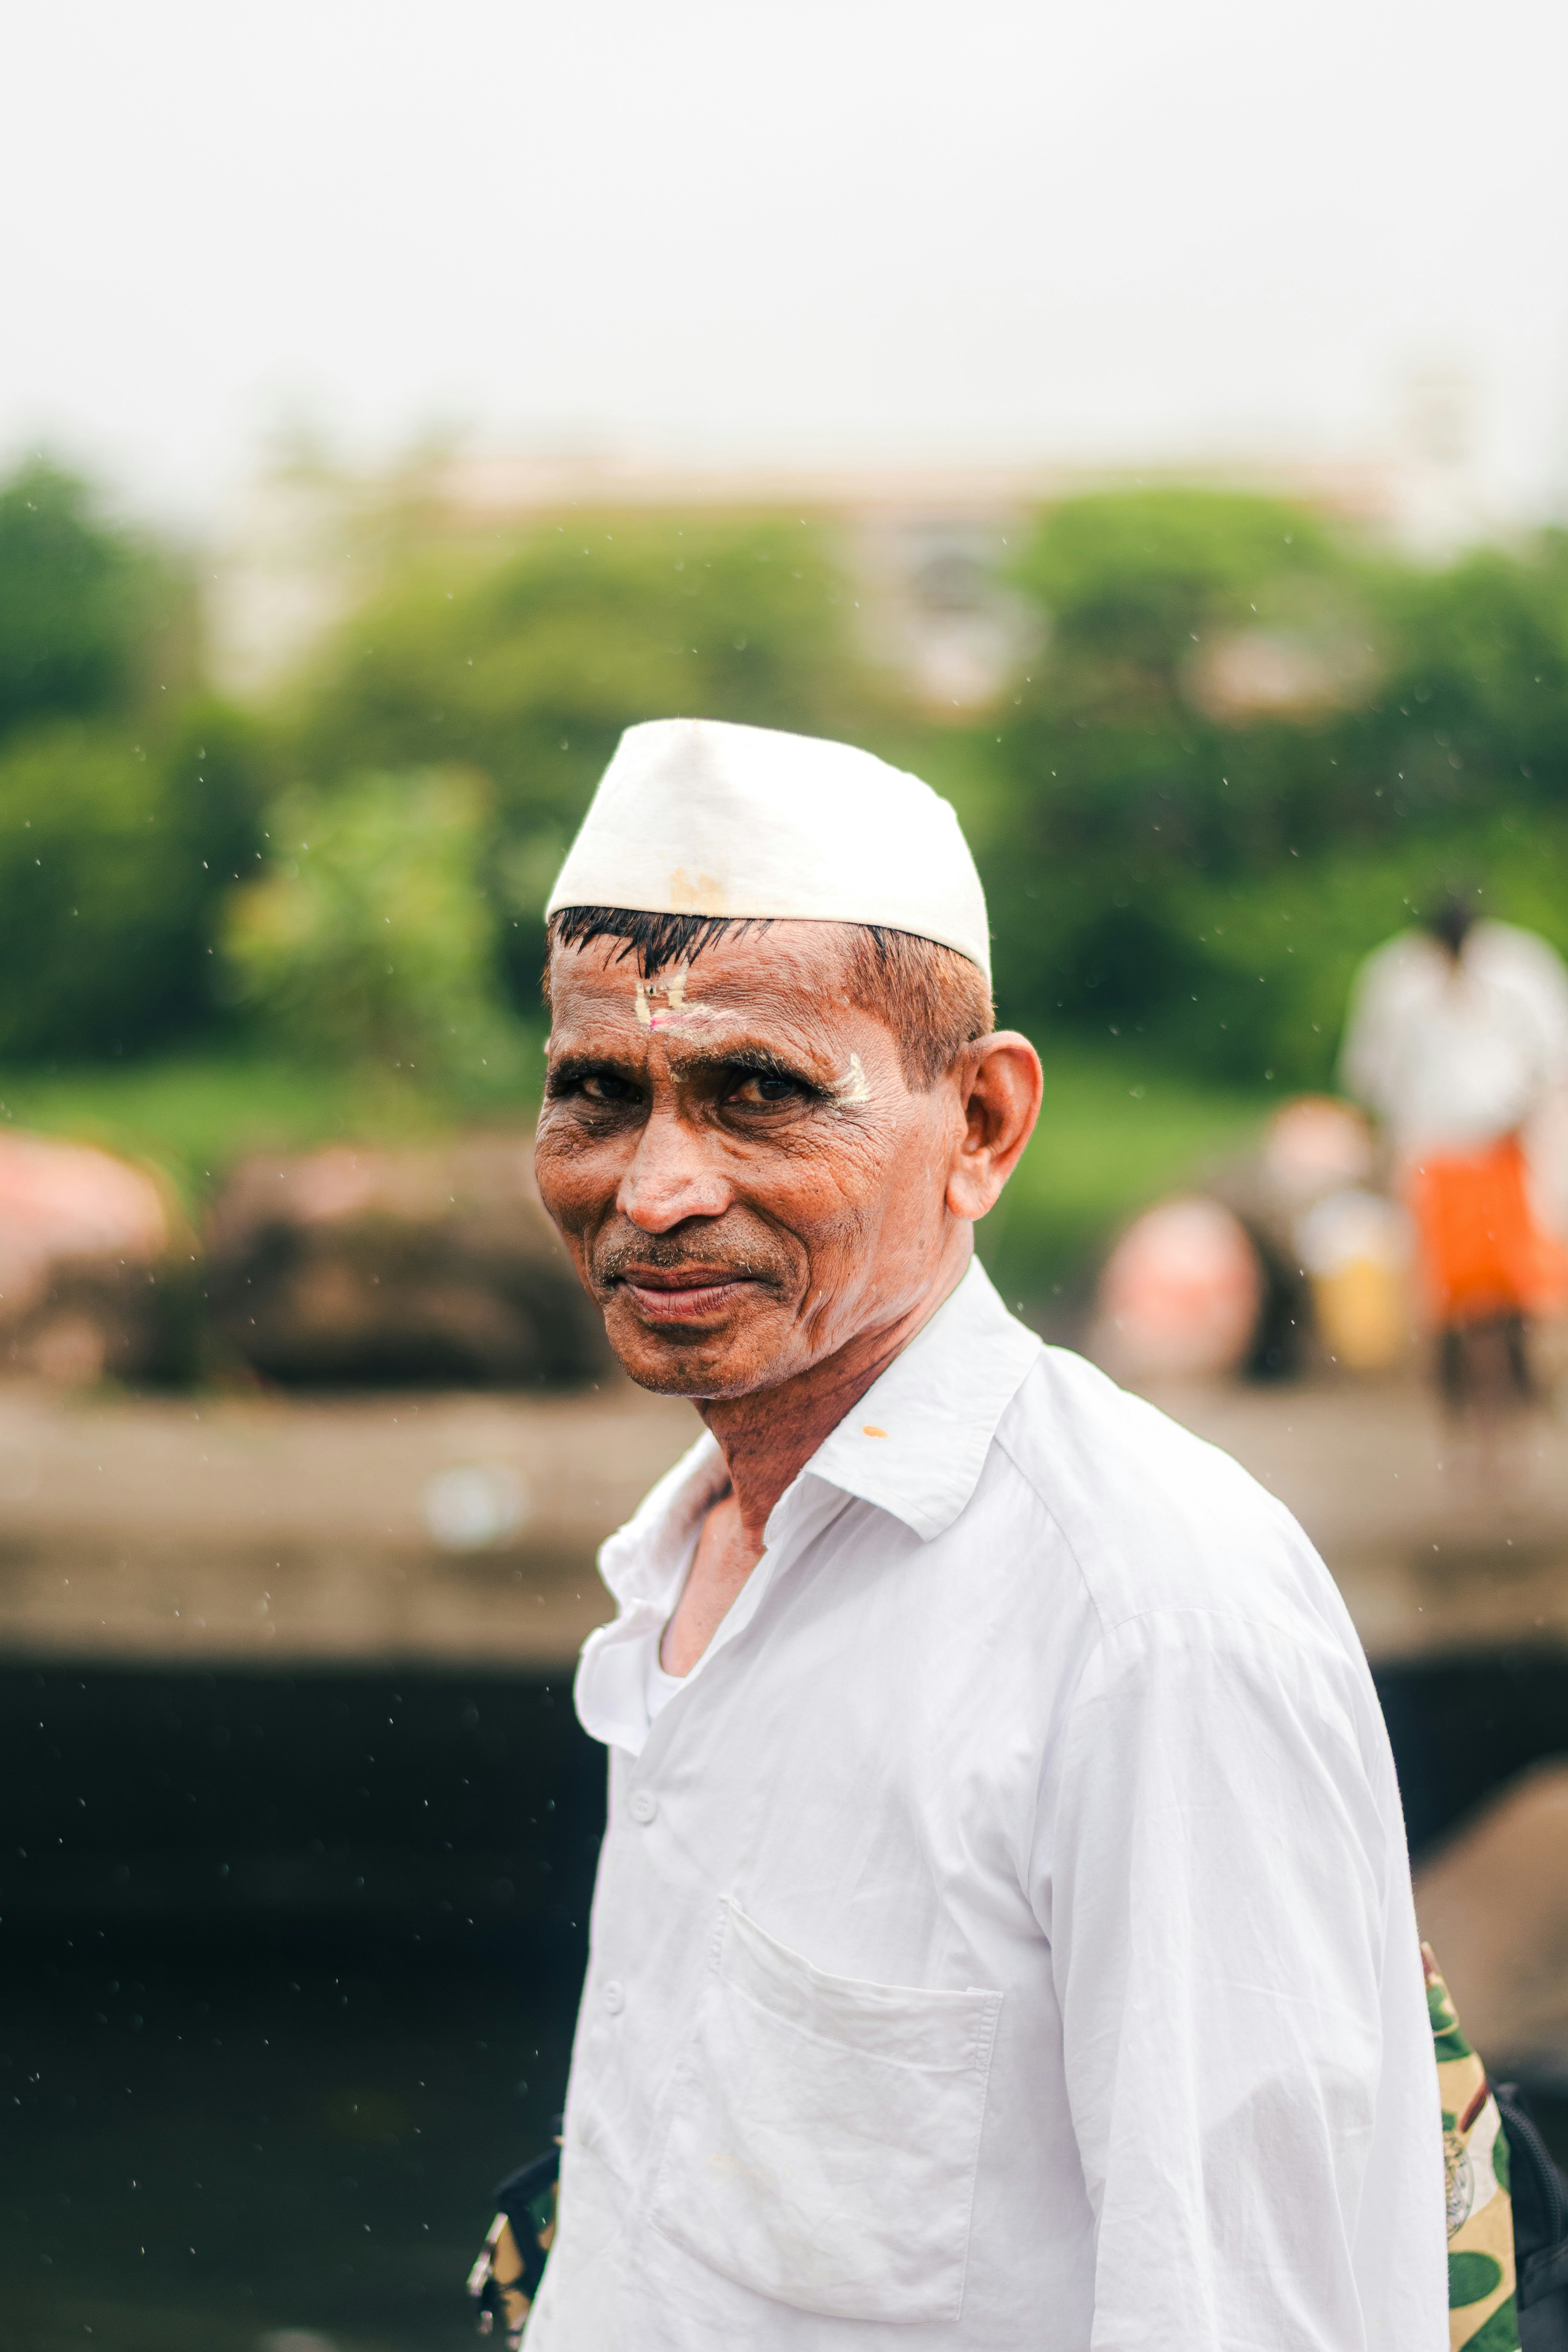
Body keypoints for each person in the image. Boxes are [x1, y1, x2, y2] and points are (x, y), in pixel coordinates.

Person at [523, 717, 1445, 2349]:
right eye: (598, 1095)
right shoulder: (692, 1550)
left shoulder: (1147, 1619)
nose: (655, 1187)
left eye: (757, 1095)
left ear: (983, 1127)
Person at [1340, 893, 1568, 1409]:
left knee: (1522, 1288)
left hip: (1510, 1153)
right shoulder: (1396, 981)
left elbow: (1554, 1060)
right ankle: (1458, 1404)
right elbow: (1372, 1074)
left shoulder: (1521, 972)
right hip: (1434, 1157)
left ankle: (1524, 1395)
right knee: (1446, 1297)